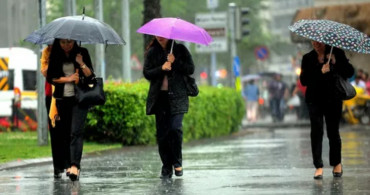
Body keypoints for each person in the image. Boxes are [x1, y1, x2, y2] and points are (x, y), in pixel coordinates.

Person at [300, 41, 354, 179]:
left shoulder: (337, 53)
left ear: (325, 41)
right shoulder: (308, 58)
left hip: (333, 99)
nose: (316, 44)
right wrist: (320, 71)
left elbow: (349, 72)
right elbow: (304, 80)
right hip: (314, 100)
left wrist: (337, 62)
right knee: (316, 132)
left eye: (319, 42)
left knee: (333, 132)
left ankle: (337, 163)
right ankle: (318, 166)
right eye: (313, 41)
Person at [143, 36, 194, 179]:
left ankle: (177, 161)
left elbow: (190, 69)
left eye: (163, 36)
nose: (160, 38)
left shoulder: (180, 50)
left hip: (178, 97)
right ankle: (166, 166)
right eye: (157, 35)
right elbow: (147, 73)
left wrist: (175, 61)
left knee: (175, 128)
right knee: (162, 134)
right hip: (160, 98)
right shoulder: (153, 52)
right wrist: (162, 68)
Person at [47, 38, 94, 181]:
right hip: (63, 99)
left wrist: (81, 63)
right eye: (62, 42)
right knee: (65, 133)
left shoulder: (82, 52)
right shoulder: (55, 55)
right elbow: (51, 78)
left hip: (79, 99)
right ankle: (67, 165)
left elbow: (91, 76)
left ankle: (75, 166)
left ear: (74, 41)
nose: (66, 45)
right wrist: (67, 79)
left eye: (69, 42)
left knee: (76, 132)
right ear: (58, 43)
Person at [41, 45, 66, 178]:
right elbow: (45, 72)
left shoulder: (71, 51)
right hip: (50, 95)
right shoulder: (47, 52)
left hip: (67, 94)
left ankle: (69, 164)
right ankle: (57, 167)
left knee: (66, 130)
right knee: (54, 130)